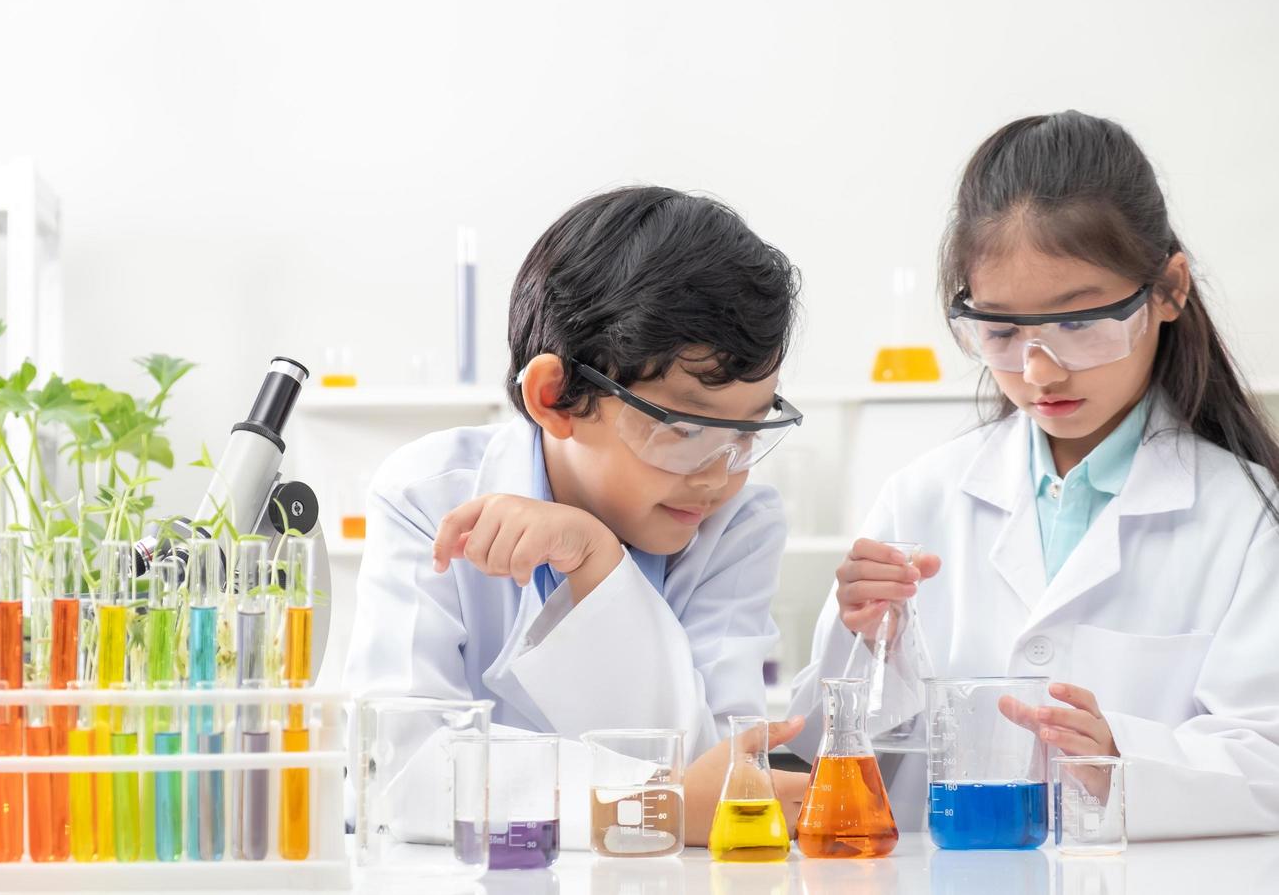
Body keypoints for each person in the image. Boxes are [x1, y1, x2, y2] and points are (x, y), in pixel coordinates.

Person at [787, 110, 1279, 839]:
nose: (1039, 369)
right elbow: (815, 746)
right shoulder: (922, 498)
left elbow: (1265, 760)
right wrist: (868, 643)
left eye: (1081, 323)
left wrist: (1121, 757)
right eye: (1003, 332)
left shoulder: (1247, 515)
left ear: (1169, 290)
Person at [344, 185, 808, 846]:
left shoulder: (740, 520)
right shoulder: (429, 497)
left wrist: (600, 566)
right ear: (555, 398)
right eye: (685, 431)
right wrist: (655, 805)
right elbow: (394, 774)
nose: (721, 475)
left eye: (748, 433)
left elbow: (727, 771)